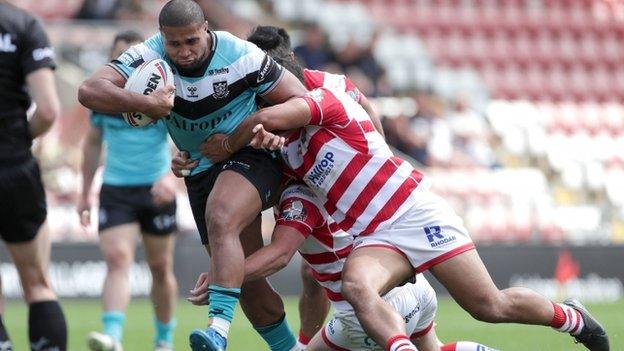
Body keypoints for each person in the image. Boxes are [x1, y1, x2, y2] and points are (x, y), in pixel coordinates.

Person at [200, 55, 610, 351]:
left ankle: (570, 317)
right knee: (357, 287)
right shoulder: (288, 154)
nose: (270, 110)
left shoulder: (327, 104)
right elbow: (267, 175)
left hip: (415, 210)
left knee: (489, 306)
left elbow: (267, 119)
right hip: (377, 235)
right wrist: (195, 157)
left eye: (272, 102)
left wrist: (227, 142)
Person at [77, 1, 308, 350]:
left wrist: (246, 135)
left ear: (206, 30)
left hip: (251, 153)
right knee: (245, 284)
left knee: (221, 214)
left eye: (191, 41)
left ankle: (216, 331)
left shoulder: (240, 55)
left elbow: (302, 100)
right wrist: (145, 104)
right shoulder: (149, 54)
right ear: (162, 38)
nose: (183, 52)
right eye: (174, 44)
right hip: (199, 168)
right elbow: (88, 90)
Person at [188, 182, 501, 351]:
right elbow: (311, 273)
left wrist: (224, 277)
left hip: (366, 309)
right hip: (414, 288)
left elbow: (281, 254)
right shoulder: (338, 181)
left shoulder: (298, 196)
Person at [245, 25, 383, 349]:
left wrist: (380, 160)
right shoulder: (252, 97)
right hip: (302, 183)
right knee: (312, 274)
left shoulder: (329, 84)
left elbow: (368, 109)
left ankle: (376, 323)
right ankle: (311, 341)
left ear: (290, 60)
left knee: (345, 268)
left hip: (340, 184)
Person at [77, 30, 178, 351]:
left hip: (155, 188)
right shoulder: (102, 101)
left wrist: (169, 178)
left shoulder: (162, 94)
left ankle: (163, 340)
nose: (127, 68)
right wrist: (84, 192)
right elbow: (93, 144)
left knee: (160, 268)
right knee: (117, 258)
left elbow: (183, 140)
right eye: (119, 60)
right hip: (116, 188)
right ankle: (113, 339)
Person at [0, 2, 67, 350]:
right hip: (13, 167)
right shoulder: (22, 25)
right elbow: (49, 110)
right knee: (37, 282)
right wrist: (18, 137)